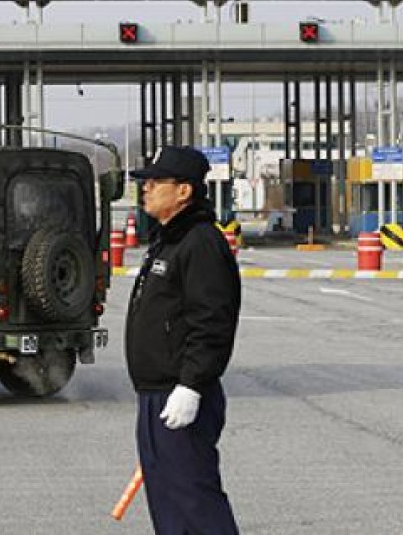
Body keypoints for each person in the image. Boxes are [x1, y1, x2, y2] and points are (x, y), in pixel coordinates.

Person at [124, 146, 241, 534]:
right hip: (156, 394)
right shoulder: (169, 240)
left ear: (184, 191)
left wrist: (191, 385)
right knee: (170, 508)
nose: (147, 189)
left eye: (156, 182)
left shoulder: (200, 242)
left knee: (195, 504)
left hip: (181, 394)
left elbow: (212, 322)